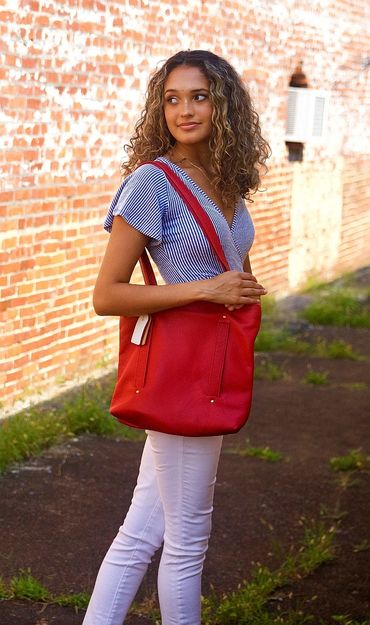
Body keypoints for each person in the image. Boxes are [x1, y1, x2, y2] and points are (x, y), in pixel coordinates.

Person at [83, 49, 271, 625]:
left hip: (208, 364)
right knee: (188, 539)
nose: (183, 110)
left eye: (198, 96)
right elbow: (107, 295)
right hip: (183, 370)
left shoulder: (229, 182)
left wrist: (233, 286)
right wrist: (205, 291)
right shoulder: (151, 183)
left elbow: (219, 268)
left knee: (144, 527)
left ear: (225, 104)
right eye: (171, 98)